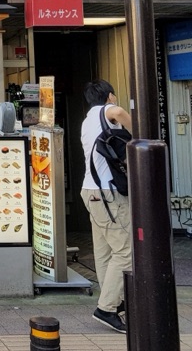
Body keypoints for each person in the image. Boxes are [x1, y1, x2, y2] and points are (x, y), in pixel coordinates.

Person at [80, 79, 133, 334]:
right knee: (125, 251)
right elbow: (119, 113)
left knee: (104, 252)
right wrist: (140, 135)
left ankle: (111, 300)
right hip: (107, 194)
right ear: (110, 96)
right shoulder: (106, 111)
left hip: (90, 191)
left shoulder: (88, 119)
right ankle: (107, 308)